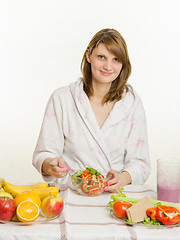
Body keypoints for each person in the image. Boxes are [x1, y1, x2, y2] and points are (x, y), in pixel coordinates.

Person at [33, 28, 151, 192]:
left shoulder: (131, 103)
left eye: (116, 59)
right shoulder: (62, 99)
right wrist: (51, 165)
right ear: (89, 55)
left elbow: (140, 163)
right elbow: (43, 154)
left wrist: (122, 178)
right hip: (70, 195)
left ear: (123, 64)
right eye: (101, 57)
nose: (108, 66)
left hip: (114, 197)